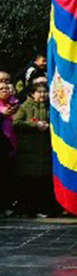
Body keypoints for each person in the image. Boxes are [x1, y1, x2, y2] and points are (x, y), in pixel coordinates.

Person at [12, 83, 55, 216]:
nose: (42, 95)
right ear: (32, 94)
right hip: (29, 149)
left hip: (46, 149)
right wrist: (34, 124)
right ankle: (28, 209)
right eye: (39, 92)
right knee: (29, 182)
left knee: (44, 181)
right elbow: (16, 122)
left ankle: (43, 208)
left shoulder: (51, 107)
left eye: (44, 92)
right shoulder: (25, 106)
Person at [0, 72, 20, 215]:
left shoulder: (15, 103)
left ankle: (7, 205)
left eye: (7, 85)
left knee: (7, 176)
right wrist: (3, 115)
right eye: (1, 88)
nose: (5, 90)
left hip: (11, 143)